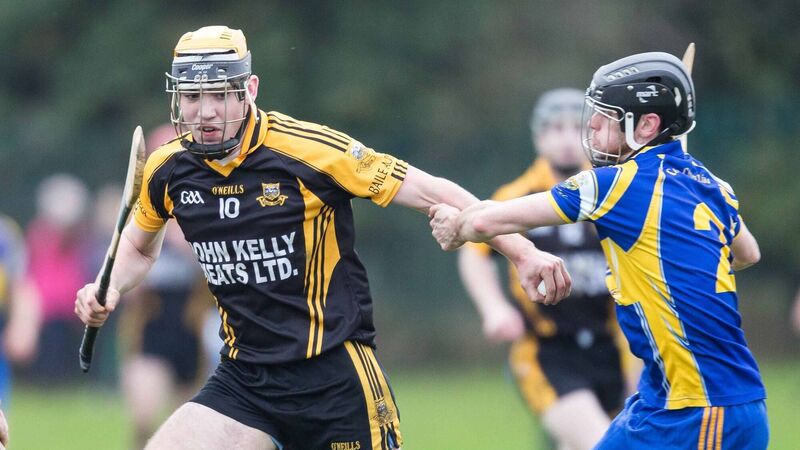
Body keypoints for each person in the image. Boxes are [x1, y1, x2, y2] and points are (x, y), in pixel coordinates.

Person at [74, 25, 571, 450]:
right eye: (192, 97)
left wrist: (521, 251)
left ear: (249, 89)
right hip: (245, 379)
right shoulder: (169, 169)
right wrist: (109, 286)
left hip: (333, 380)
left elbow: (433, 191)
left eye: (219, 95)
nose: (204, 112)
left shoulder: (309, 151)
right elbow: (137, 247)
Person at [430, 51, 768, 449]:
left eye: (607, 117)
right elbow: (747, 253)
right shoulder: (713, 185)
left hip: (704, 406)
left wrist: (457, 223)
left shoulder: (612, 184)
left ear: (647, 125)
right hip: (663, 399)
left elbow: (486, 222)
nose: (591, 126)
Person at [458, 89, 635, 450]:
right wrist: (494, 308)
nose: (567, 140)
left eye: (577, 129)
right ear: (538, 137)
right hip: (547, 352)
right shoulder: (517, 195)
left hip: (613, 348)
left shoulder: (613, 193)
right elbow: (476, 251)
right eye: (556, 128)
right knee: (602, 442)